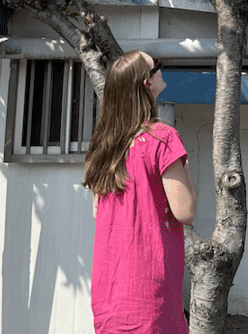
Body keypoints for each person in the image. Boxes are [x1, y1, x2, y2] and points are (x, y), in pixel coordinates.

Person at [83, 50, 198, 334]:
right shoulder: (163, 137)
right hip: (149, 290)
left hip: (109, 288)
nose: (161, 69)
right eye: (156, 66)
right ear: (146, 83)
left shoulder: (103, 147)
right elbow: (185, 211)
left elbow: (99, 213)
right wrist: (186, 171)